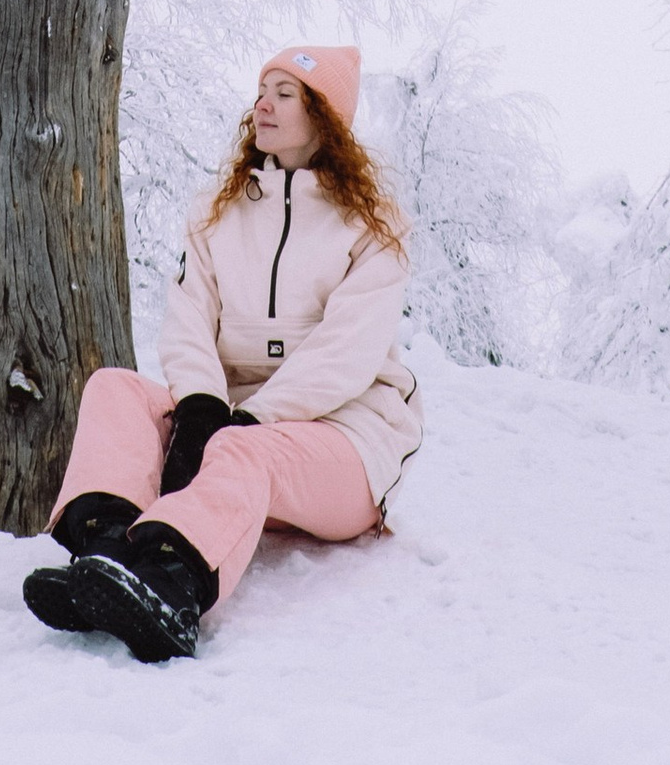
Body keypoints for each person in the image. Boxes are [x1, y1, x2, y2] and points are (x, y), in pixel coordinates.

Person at [23, 43, 424, 663]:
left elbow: (348, 353)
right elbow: (188, 319)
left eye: (284, 93)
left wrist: (245, 421)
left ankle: (172, 589)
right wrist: (203, 406)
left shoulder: (375, 226)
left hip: (344, 446)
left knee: (245, 447)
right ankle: (106, 552)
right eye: (262, 89)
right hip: (233, 443)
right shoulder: (219, 210)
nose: (262, 104)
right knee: (115, 388)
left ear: (324, 116)